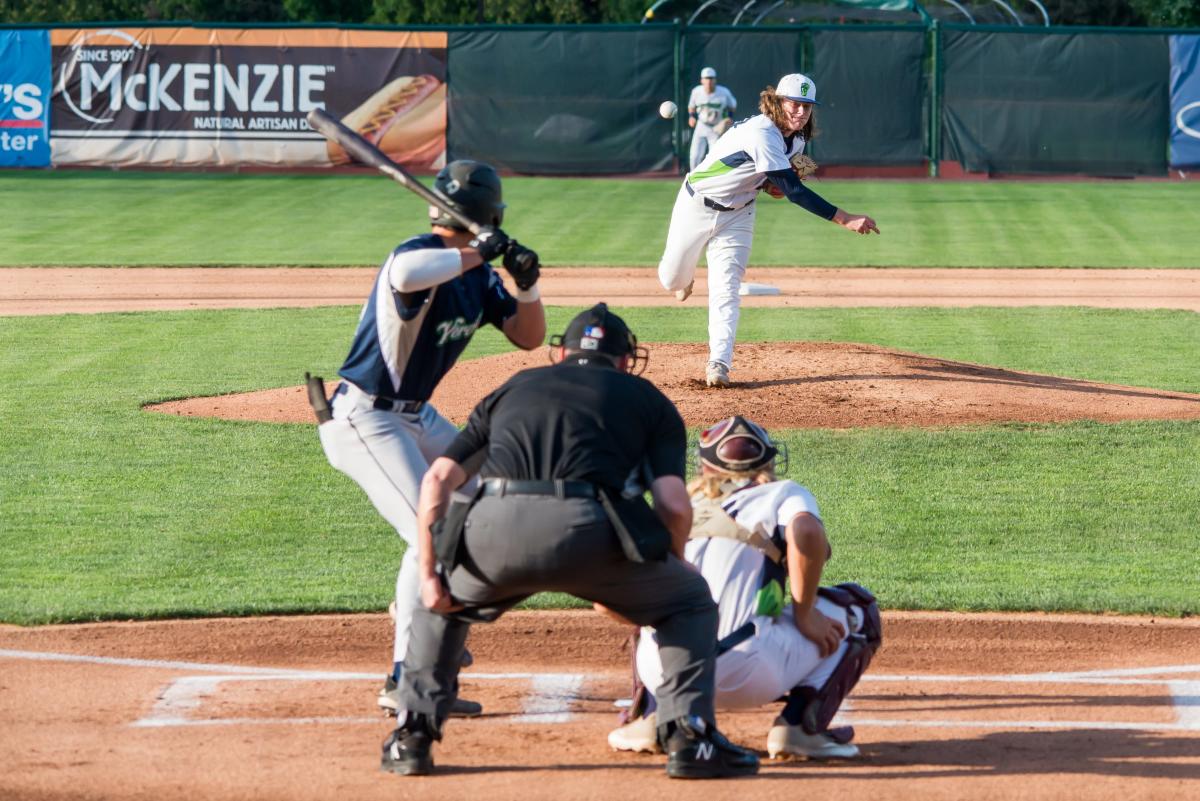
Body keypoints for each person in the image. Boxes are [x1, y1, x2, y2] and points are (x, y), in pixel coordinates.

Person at [379, 304, 760, 780]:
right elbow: (674, 504)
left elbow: (437, 481)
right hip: (591, 533)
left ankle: (411, 738)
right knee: (689, 602)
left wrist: (431, 574)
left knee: (444, 606)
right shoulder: (646, 398)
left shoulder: (512, 388)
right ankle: (691, 739)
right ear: (625, 359)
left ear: (559, 352)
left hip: (494, 533)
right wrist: (674, 564)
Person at [314, 159, 546, 719]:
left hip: (417, 418)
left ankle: (410, 605)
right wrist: (480, 251)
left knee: (493, 493)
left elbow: (528, 337)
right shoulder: (417, 254)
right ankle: (405, 679)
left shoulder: (480, 277)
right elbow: (404, 273)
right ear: (490, 213)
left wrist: (528, 282)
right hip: (366, 419)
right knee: (432, 532)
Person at [606, 415, 882, 760]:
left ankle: (653, 717)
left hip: (667, 669)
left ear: (705, 465)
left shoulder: (679, 504)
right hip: (748, 673)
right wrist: (805, 613)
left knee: (652, 610)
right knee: (860, 610)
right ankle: (800, 728)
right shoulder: (782, 493)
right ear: (768, 460)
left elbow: (615, 590)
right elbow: (808, 534)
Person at [659, 73, 880, 388]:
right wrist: (845, 218)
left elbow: (771, 184)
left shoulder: (798, 139)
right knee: (672, 279)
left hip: (739, 214)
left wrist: (769, 184)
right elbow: (793, 192)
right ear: (777, 102)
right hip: (696, 204)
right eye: (794, 103)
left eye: (807, 106)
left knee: (727, 288)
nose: (801, 111)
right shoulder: (761, 131)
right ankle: (684, 278)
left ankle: (718, 363)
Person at [687, 66, 737, 171]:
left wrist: (729, 117)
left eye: (711, 78)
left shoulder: (723, 92)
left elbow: (732, 105)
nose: (709, 81)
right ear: (702, 80)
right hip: (702, 125)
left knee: (714, 157)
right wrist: (691, 117)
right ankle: (692, 179)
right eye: (706, 78)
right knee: (694, 156)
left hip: (716, 127)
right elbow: (691, 106)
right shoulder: (696, 91)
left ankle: (710, 181)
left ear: (715, 80)